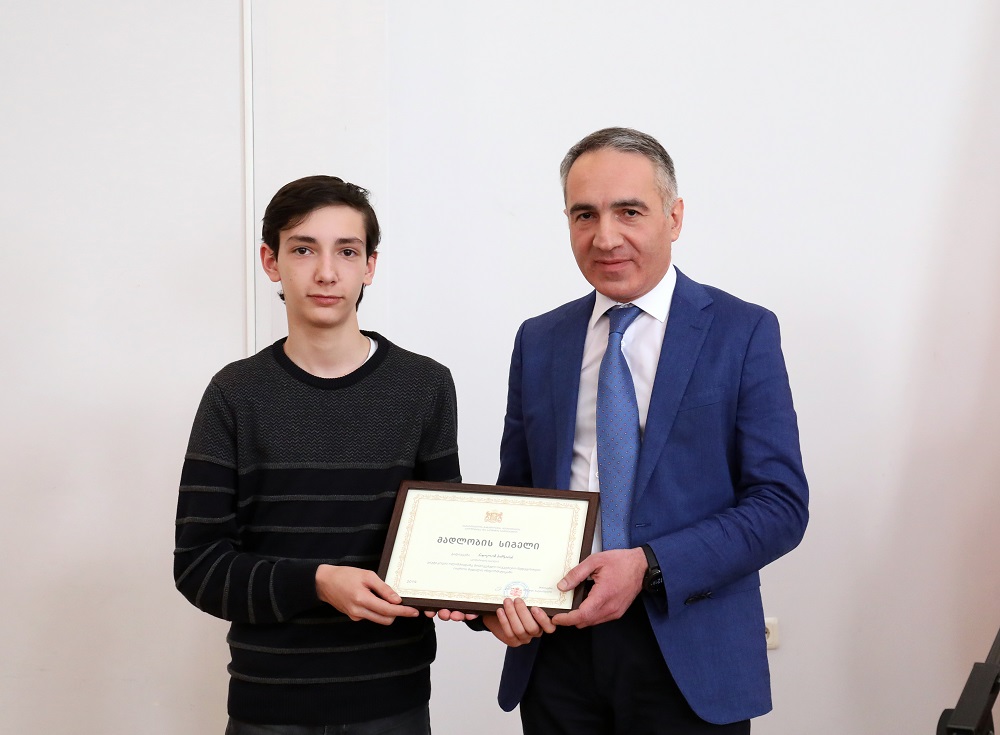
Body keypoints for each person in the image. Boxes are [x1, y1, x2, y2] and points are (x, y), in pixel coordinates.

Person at [483, 128, 809, 733]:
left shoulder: (742, 332)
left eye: (629, 211)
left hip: (689, 650)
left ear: (674, 217)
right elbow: (518, 495)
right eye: (585, 214)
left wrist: (649, 565)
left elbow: (780, 506)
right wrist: (490, 596)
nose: (605, 237)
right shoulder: (540, 339)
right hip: (558, 654)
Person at [174, 175, 461, 734]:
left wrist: (485, 601)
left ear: (369, 266)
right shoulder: (234, 394)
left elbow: (444, 545)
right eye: (304, 249)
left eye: (346, 251)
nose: (327, 272)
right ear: (272, 261)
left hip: (394, 703)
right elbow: (198, 566)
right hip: (269, 707)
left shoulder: (425, 386)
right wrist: (317, 582)